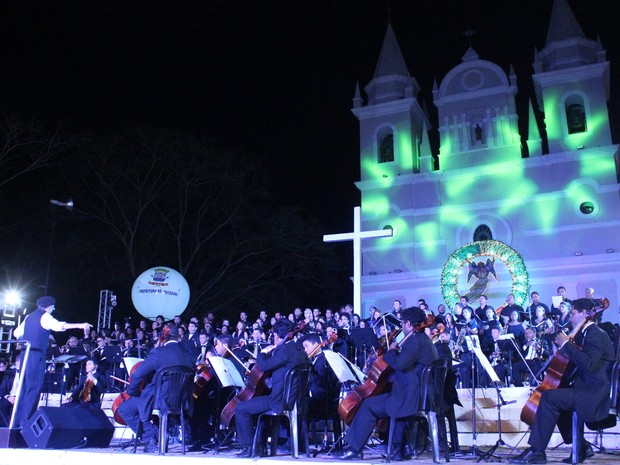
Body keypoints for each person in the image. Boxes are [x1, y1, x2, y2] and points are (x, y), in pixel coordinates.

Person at [508, 298, 615, 464]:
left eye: (573, 313)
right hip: (585, 389)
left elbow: (590, 365)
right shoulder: (585, 334)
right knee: (556, 398)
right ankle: (581, 447)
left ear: (585, 314)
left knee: (549, 398)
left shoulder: (596, 334)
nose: (570, 317)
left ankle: (537, 451)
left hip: (593, 394)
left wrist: (566, 345)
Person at [337, 307, 439, 461]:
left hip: (410, 397)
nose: (402, 327)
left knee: (368, 405)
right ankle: (400, 448)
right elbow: (408, 363)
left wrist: (391, 350)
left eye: (403, 324)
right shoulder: (424, 340)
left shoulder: (414, 341)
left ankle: (354, 448)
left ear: (410, 324)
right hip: (418, 394)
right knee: (385, 404)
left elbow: (399, 364)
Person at [12, 296, 92, 428]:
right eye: (53, 306)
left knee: (23, 388)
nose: (54, 308)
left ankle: (16, 423)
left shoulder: (29, 317)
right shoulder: (45, 316)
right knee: (33, 388)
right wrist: (81, 325)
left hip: (25, 355)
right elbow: (60, 326)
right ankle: (25, 424)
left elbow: (16, 333)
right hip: (36, 356)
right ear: (48, 307)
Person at [233, 319, 307, 458]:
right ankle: (260, 446)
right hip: (295, 399)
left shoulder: (284, 349)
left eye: (274, 336)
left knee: (241, 408)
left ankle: (250, 448)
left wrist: (263, 352)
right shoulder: (299, 348)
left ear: (279, 336)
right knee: (257, 406)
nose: (274, 338)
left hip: (280, 401)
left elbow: (263, 366)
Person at [117, 323, 194, 453]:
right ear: (178, 336)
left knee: (124, 409)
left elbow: (138, 373)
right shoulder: (188, 355)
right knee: (144, 402)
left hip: (159, 400)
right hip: (181, 401)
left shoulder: (158, 352)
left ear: (164, 337)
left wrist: (133, 391)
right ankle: (160, 433)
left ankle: (152, 436)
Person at [0, 353, 22, 426]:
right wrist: (8, 397)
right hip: (10, 397)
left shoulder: (28, 374)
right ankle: (5, 428)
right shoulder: (9, 374)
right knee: (3, 405)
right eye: (20, 362)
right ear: (16, 363)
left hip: (22, 398)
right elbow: (2, 390)